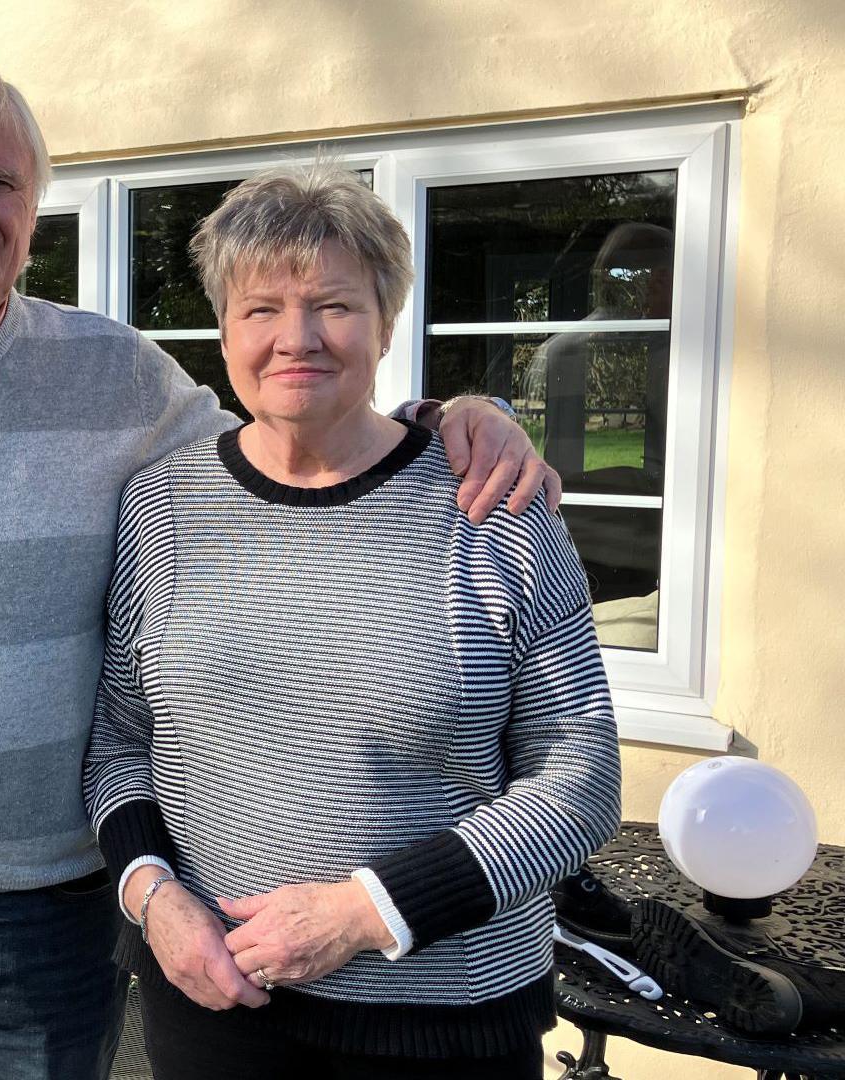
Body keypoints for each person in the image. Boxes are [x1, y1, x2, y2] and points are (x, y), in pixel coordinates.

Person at [0, 57, 552, 1080]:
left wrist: (445, 418)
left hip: (48, 920)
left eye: (1, 184)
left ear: (34, 205)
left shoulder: (118, 375)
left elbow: (291, 433)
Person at [85, 163, 622, 1079]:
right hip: (212, 1004)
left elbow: (581, 778)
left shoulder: (490, 503)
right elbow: (120, 742)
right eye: (260, 310)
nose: (296, 338)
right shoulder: (162, 508)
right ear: (223, 332)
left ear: (384, 324)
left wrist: (366, 914)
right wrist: (152, 896)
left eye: (333, 305)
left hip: (444, 1024)